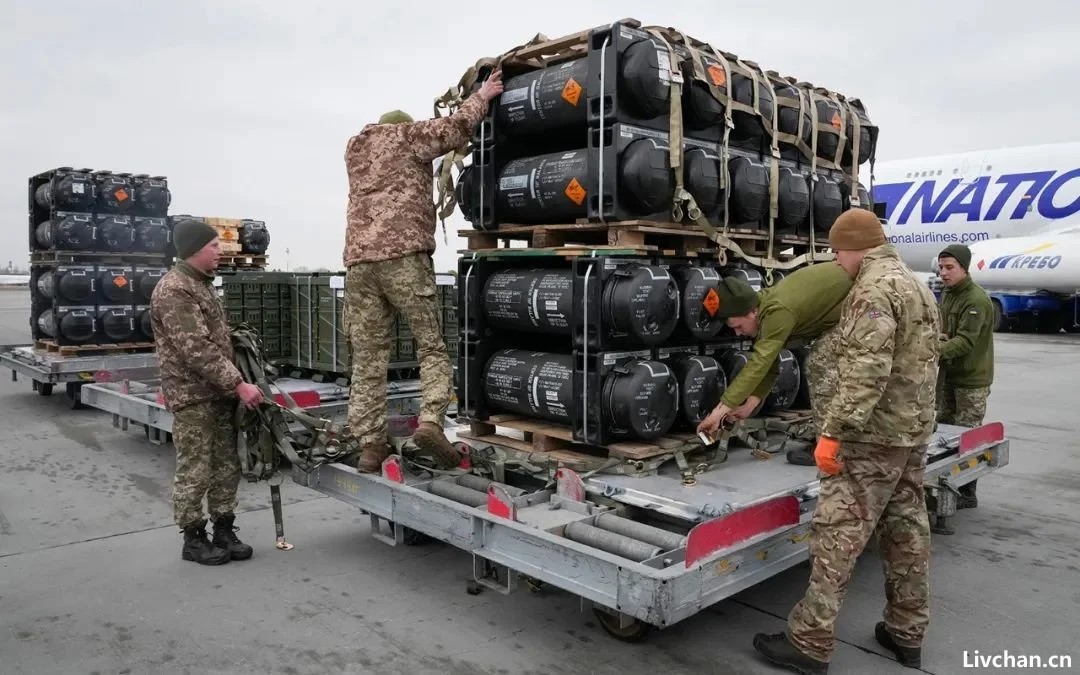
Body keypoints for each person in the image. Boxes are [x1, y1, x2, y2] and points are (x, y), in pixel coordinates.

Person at [752, 208, 940, 674]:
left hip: (870, 438)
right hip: (910, 433)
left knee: (837, 537)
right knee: (907, 532)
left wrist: (833, 432)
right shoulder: (917, 284)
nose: (837, 262)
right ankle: (906, 632)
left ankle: (809, 642)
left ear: (855, 247)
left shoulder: (872, 289)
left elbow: (865, 371)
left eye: (838, 252)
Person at [341, 69, 504, 473]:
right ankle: (431, 422)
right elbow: (455, 128)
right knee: (430, 345)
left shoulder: (355, 150)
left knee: (368, 358)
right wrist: (482, 96)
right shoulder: (407, 137)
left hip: (359, 264)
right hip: (404, 258)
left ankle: (370, 445)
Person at [151, 218, 265, 566]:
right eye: (215, 246)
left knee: (226, 465)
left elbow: (217, 340)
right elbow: (195, 348)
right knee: (196, 467)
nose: (221, 251)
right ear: (194, 249)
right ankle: (193, 536)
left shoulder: (201, 286)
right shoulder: (175, 290)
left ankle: (224, 528)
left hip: (217, 393)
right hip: (193, 395)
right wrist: (238, 383)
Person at [695, 262, 853, 464]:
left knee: (820, 366)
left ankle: (832, 448)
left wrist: (718, 413)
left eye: (738, 326)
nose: (737, 333)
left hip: (862, 303)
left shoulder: (777, 312)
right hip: (845, 311)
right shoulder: (764, 309)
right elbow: (769, 365)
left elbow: (759, 364)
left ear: (751, 312)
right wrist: (748, 407)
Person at [935, 244, 995, 509]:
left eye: (950, 268)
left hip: (971, 380)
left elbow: (965, 341)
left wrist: (931, 351)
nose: (944, 274)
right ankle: (946, 485)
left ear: (964, 268)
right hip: (949, 376)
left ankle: (967, 492)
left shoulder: (975, 299)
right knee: (944, 435)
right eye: (941, 268)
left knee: (967, 438)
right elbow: (944, 330)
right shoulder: (948, 294)